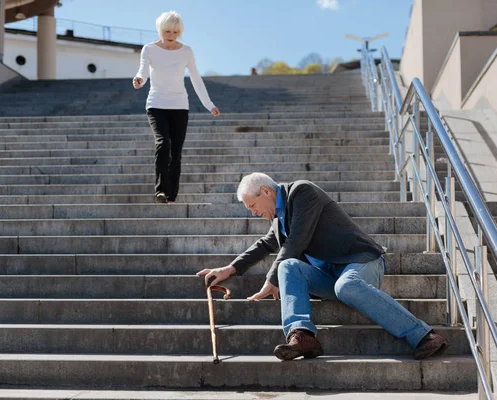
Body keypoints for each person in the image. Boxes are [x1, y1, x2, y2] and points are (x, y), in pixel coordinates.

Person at [197, 173, 448, 361]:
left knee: (345, 285)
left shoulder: (302, 193)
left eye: (252, 206)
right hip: (331, 276)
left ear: (265, 191)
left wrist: (270, 280)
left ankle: (424, 335)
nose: (253, 213)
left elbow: (296, 241)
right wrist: (229, 269)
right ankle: (303, 336)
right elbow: (265, 244)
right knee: (289, 268)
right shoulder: (279, 219)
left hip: (361, 262)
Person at [133, 11, 220, 204]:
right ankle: (161, 190)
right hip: (156, 104)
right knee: (163, 143)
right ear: (160, 29)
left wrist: (209, 104)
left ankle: (171, 195)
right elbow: (143, 71)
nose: (170, 35)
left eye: (174, 31)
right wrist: (139, 80)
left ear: (179, 32)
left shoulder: (186, 51)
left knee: (177, 152)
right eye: (167, 31)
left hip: (179, 106)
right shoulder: (149, 49)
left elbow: (196, 79)